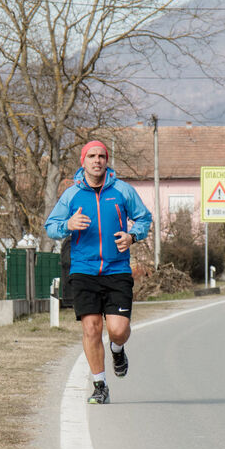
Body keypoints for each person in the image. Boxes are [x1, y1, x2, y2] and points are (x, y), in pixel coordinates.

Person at [44, 140, 152, 404]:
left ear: (107, 160)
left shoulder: (122, 190)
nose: (97, 160)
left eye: (101, 156)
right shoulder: (71, 195)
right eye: (91, 156)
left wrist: (132, 236)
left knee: (117, 329)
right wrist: (68, 224)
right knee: (91, 329)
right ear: (83, 161)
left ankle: (117, 349)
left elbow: (144, 218)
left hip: (117, 270)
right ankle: (100, 385)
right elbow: (51, 226)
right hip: (84, 270)